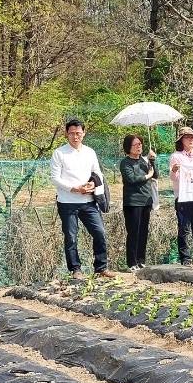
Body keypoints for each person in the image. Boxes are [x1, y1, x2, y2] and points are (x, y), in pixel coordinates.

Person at [50, 119, 113, 280]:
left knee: (99, 232)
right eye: (71, 133)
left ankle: (101, 267)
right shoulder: (59, 153)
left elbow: (97, 172)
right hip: (67, 202)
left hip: (88, 201)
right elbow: (55, 178)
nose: (75, 136)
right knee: (71, 236)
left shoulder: (90, 152)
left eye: (78, 133)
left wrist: (93, 184)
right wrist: (75, 188)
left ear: (83, 134)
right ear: (66, 134)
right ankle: (75, 269)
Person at [169, 126, 193, 266]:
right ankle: (185, 258)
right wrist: (174, 170)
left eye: (192, 137)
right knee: (184, 227)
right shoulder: (176, 156)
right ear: (181, 140)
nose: (191, 139)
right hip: (183, 197)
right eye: (188, 137)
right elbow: (173, 178)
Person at [119, 134, 157, 271]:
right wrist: (147, 176)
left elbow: (156, 174)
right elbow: (131, 179)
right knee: (133, 232)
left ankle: (141, 260)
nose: (138, 146)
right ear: (128, 147)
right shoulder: (125, 162)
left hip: (146, 200)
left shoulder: (145, 161)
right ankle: (132, 262)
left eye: (140, 144)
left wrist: (153, 161)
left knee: (143, 232)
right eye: (135, 145)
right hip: (133, 202)